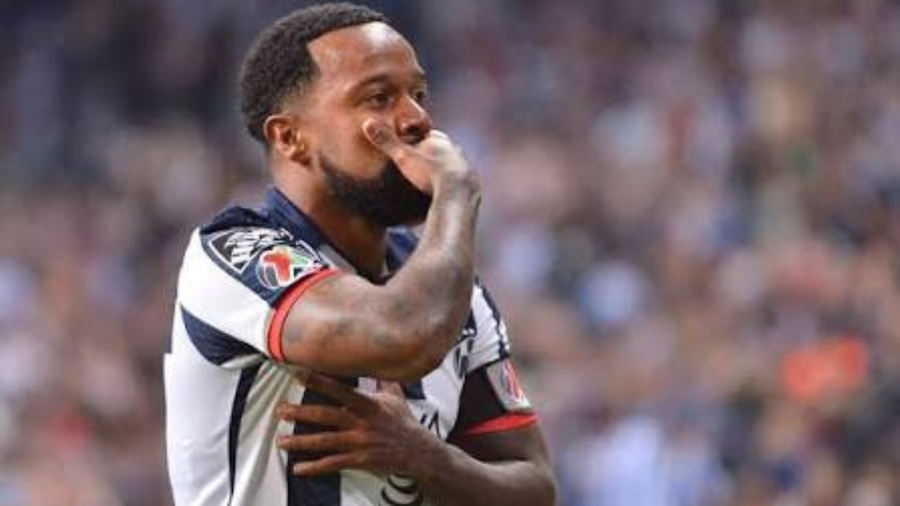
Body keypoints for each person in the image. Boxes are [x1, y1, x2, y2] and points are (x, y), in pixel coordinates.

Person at [163, 3, 557, 505]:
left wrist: (430, 460)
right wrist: (455, 194)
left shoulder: (454, 292)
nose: (416, 119)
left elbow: (536, 488)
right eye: (378, 98)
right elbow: (404, 336)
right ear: (290, 137)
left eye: (418, 94)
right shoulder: (232, 254)